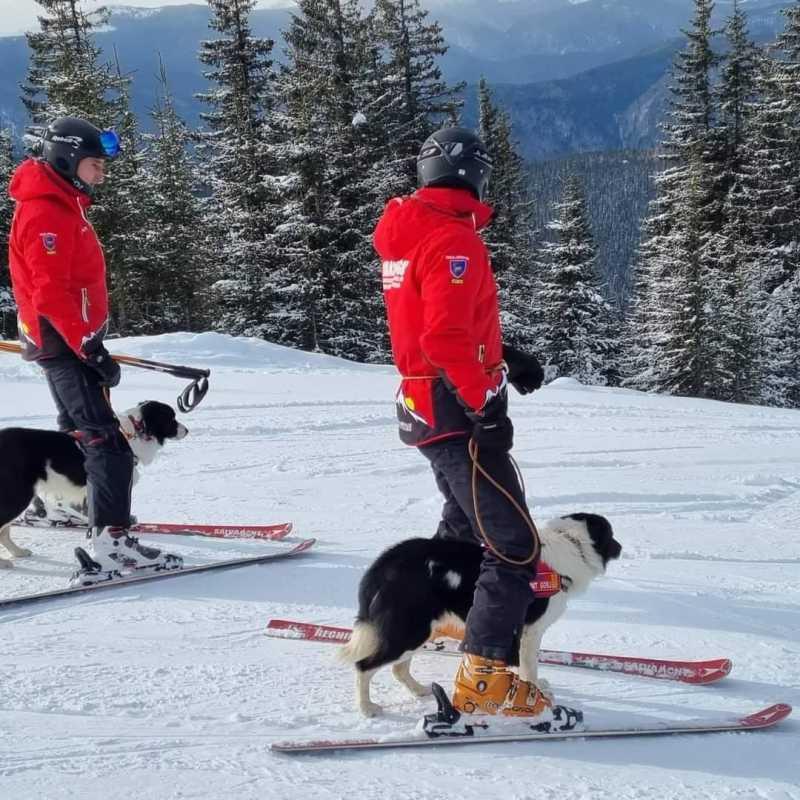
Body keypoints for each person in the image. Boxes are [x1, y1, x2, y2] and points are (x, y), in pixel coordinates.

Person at [373, 126, 562, 720]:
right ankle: (484, 676)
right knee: (514, 545)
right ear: (476, 176)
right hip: (455, 409)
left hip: (424, 402)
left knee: (461, 522)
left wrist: (505, 357)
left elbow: (430, 323)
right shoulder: (455, 239)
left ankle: (444, 616)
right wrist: (485, 403)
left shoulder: (410, 233)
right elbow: (445, 337)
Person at [7, 116, 181, 582]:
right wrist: (87, 345)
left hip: (62, 339)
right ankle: (113, 545)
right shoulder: (46, 212)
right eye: (94, 163)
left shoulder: (60, 203)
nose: (102, 171)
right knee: (108, 442)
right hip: (63, 340)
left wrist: (87, 340)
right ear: (67, 159)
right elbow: (49, 291)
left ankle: (64, 505)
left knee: (77, 432)